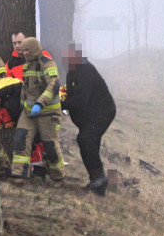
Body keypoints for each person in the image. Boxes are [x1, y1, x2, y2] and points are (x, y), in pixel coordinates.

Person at [61, 43, 117, 195]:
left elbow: (80, 99)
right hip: (90, 115)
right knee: (89, 142)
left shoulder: (86, 71)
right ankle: (97, 183)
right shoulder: (72, 71)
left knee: (85, 138)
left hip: (102, 112)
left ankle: (99, 177)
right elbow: (71, 94)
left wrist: (60, 105)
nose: (66, 61)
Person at [10, 37, 65, 183]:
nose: (24, 52)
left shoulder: (48, 64)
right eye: (23, 50)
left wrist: (40, 103)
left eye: (27, 49)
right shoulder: (27, 66)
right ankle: (19, 175)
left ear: (34, 49)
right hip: (29, 113)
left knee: (50, 146)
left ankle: (58, 177)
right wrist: (21, 107)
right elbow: (25, 88)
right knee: (20, 140)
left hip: (48, 113)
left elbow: (53, 85)